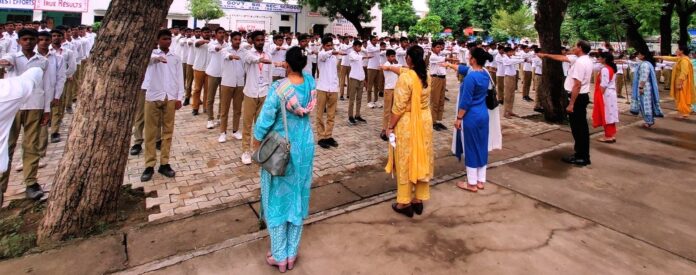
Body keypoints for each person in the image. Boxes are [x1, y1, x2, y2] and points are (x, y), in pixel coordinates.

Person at [253, 46, 316, 273]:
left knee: (278, 201)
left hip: (282, 151)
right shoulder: (310, 83)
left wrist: (257, 140)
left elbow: (265, 119)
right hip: (305, 148)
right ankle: (291, 254)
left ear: (287, 64)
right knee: (298, 197)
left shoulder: (279, 89)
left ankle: (279, 256)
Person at [383, 45, 434, 218]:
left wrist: (390, 126)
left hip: (408, 123)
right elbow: (405, 71)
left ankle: (404, 201)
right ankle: (418, 199)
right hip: (424, 121)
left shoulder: (406, 78)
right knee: (421, 157)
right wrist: (390, 67)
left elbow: (398, 107)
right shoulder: (426, 75)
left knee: (405, 159)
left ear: (409, 58)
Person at [0, 29, 49, 200]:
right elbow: (5, 61)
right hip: (13, 107)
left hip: (35, 105)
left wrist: (47, 109)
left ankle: (31, 183)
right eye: (25, 39)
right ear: (19, 41)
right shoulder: (12, 57)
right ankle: (1, 185)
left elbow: (47, 84)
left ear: (36, 41)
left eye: (31, 39)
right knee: (7, 145)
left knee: (31, 145)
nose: (28, 42)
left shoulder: (42, 60)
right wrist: (4, 62)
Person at [443, 48, 495, 192]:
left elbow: (465, 101)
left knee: (470, 147)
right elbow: (463, 69)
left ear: (473, 59)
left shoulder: (471, 78)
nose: (468, 58)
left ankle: (471, 183)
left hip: (470, 116)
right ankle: (480, 180)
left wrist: (459, 118)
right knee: (481, 146)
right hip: (483, 114)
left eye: (469, 56)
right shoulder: (485, 74)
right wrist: (449, 65)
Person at [538, 40, 594, 166]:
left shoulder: (580, 63)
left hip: (577, 97)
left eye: (575, 46)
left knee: (579, 129)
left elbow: (577, 85)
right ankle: (580, 153)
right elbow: (562, 58)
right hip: (580, 97)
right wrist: (546, 55)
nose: (573, 48)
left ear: (580, 48)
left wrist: (571, 103)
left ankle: (582, 157)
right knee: (580, 128)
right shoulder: (583, 59)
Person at [140, 29, 184, 182]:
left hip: (170, 97)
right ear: (157, 40)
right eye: (164, 39)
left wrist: (179, 97)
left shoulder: (175, 58)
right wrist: (158, 57)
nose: (168, 42)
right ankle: (149, 165)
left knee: (168, 132)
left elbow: (179, 78)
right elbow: (148, 59)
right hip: (153, 96)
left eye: (169, 39)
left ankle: (164, 163)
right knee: (151, 132)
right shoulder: (151, 55)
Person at [0, 68, 43, 205]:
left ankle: (30, 181)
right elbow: (35, 73)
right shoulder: (7, 92)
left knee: (30, 144)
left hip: (32, 106)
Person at [240, 31, 280, 165]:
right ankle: (246, 150)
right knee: (247, 123)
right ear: (253, 41)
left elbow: (269, 75)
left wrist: (270, 92)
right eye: (257, 40)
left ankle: (258, 149)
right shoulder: (248, 52)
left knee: (261, 123)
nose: (260, 42)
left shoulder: (268, 54)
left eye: (262, 40)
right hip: (251, 92)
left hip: (264, 92)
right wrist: (260, 60)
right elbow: (249, 59)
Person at [218, 31, 245, 143]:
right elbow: (226, 56)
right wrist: (231, 56)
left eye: (239, 39)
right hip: (227, 83)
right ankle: (222, 133)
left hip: (240, 84)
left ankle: (235, 131)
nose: (237, 41)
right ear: (231, 40)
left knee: (237, 109)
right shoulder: (225, 50)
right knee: (224, 110)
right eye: (235, 39)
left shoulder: (244, 51)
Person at [315, 36, 342, 149]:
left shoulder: (334, 57)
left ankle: (328, 135)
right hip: (322, 88)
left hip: (333, 88)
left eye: (331, 45)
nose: (330, 47)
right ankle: (321, 137)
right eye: (327, 45)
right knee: (320, 114)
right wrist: (333, 51)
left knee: (331, 115)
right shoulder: (321, 55)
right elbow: (325, 55)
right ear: (323, 46)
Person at [655, 45, 696, 119]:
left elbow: (684, 72)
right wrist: (658, 57)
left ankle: (685, 113)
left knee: (683, 97)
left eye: (678, 49)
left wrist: (680, 83)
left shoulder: (684, 60)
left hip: (683, 82)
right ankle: (684, 112)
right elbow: (670, 58)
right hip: (681, 81)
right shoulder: (680, 58)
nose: (676, 51)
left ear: (682, 51)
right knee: (680, 97)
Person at [627, 49, 664, 127]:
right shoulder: (647, 64)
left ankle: (649, 121)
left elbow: (644, 77)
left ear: (643, 56)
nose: (637, 56)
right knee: (645, 103)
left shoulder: (645, 65)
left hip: (645, 88)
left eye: (639, 54)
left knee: (645, 104)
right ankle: (649, 120)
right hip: (646, 87)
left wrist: (641, 87)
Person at [592, 52, 619, 143]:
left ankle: (608, 136)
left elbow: (603, 84)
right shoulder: (611, 68)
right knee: (610, 114)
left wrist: (600, 95)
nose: (598, 58)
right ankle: (610, 134)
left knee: (606, 114)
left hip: (606, 94)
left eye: (600, 57)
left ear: (604, 59)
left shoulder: (605, 69)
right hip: (610, 93)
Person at [205, 27, 228, 129]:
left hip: (224, 74)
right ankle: (210, 119)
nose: (222, 34)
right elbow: (213, 49)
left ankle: (220, 117)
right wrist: (218, 48)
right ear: (216, 34)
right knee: (210, 98)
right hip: (213, 73)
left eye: (223, 33)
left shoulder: (228, 45)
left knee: (223, 97)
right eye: (220, 33)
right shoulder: (212, 44)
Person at [380, 49, 401, 141]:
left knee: (394, 110)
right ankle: (384, 129)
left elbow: (402, 67)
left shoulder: (394, 65)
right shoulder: (386, 65)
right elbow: (385, 68)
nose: (393, 58)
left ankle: (391, 128)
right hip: (388, 89)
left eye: (394, 56)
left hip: (396, 89)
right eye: (391, 56)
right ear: (387, 57)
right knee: (387, 110)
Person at [347, 40, 369, 125]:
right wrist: (365, 57)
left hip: (360, 78)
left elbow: (365, 53)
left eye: (360, 46)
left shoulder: (360, 54)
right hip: (354, 78)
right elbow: (357, 58)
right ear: (354, 46)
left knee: (359, 98)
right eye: (358, 46)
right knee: (352, 98)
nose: (360, 48)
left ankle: (357, 114)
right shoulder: (352, 54)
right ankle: (350, 116)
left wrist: (364, 79)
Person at [191, 27, 211, 116]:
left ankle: (206, 107)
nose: (207, 34)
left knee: (207, 90)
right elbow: (197, 44)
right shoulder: (197, 41)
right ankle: (195, 108)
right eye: (205, 32)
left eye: (208, 32)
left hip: (209, 70)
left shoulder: (213, 43)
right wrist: (205, 41)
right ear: (202, 33)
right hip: (199, 68)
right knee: (197, 89)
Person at [501, 46, 525, 118]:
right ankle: (506, 112)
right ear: (506, 52)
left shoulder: (511, 57)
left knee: (512, 94)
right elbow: (512, 61)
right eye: (510, 52)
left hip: (513, 76)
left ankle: (510, 110)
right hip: (508, 77)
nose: (512, 53)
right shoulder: (505, 58)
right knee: (507, 95)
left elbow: (515, 59)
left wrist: (522, 59)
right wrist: (523, 60)